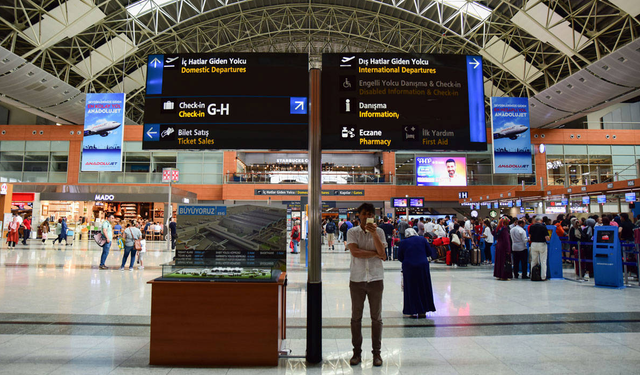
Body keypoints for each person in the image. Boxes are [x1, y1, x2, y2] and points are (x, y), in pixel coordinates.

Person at [346, 203, 387, 367]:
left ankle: (377, 353)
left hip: (376, 279)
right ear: (358, 215)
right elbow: (355, 252)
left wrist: (375, 234)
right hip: (357, 279)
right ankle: (357, 353)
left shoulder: (380, 232)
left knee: (376, 318)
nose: (366, 216)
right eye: (364, 213)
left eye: (369, 214)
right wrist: (375, 254)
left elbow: (383, 254)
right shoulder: (352, 232)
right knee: (356, 318)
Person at [398, 228, 436, 318]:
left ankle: (412, 310)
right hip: (422, 266)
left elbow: (400, 257)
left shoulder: (403, 242)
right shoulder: (422, 239)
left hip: (409, 267)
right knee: (423, 286)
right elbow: (429, 252)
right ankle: (423, 309)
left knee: (411, 288)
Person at [529, 216, 550, 281]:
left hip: (533, 244)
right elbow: (547, 237)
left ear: (535, 220)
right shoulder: (543, 226)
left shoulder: (532, 226)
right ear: (541, 220)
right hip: (542, 244)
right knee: (543, 261)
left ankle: (533, 276)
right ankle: (543, 277)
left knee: (534, 260)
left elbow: (530, 236)